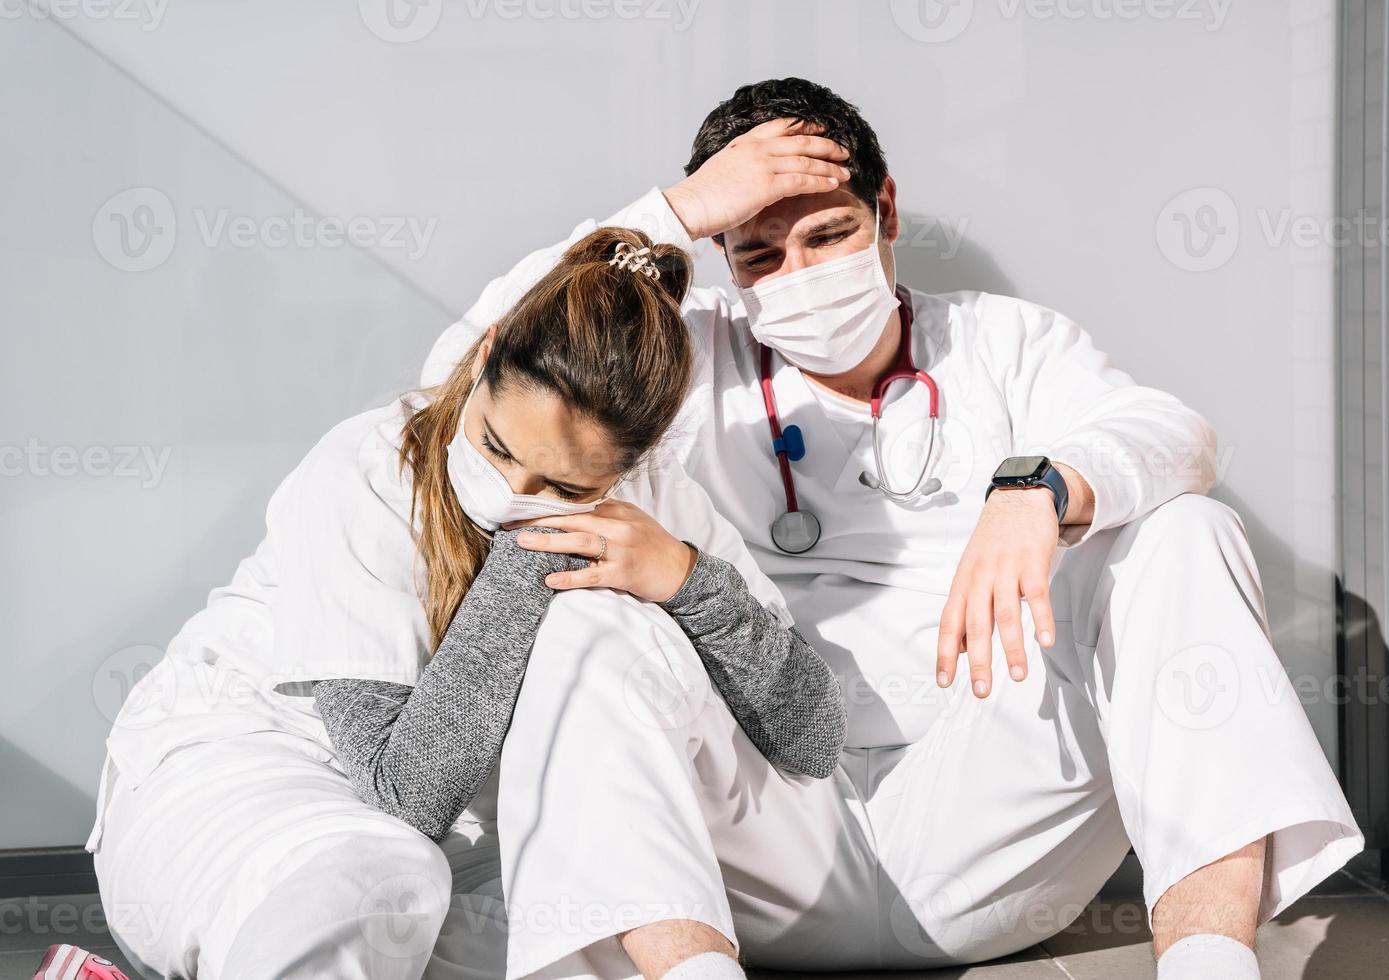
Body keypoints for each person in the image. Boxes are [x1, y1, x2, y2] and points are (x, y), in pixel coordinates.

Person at [421, 78, 1363, 980]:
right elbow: (473, 377)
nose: (799, 276)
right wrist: (672, 210)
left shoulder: (1003, 342)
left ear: (889, 212)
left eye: (829, 235)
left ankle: (1209, 962)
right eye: (757, 255)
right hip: (763, 839)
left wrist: (1036, 487)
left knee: (1182, 530)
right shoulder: (678, 358)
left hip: (993, 815)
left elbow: (1174, 437)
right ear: (721, 255)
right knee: (593, 611)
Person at [83, 228, 846, 980]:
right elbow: (401, 795)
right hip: (253, 774)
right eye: (498, 448)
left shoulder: (659, 503)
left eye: (567, 487)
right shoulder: (369, 467)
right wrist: (535, 550)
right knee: (379, 882)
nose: (517, 494)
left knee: (600, 947)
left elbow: (810, 740)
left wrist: (686, 578)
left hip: (467, 829)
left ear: (634, 463)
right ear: (484, 358)